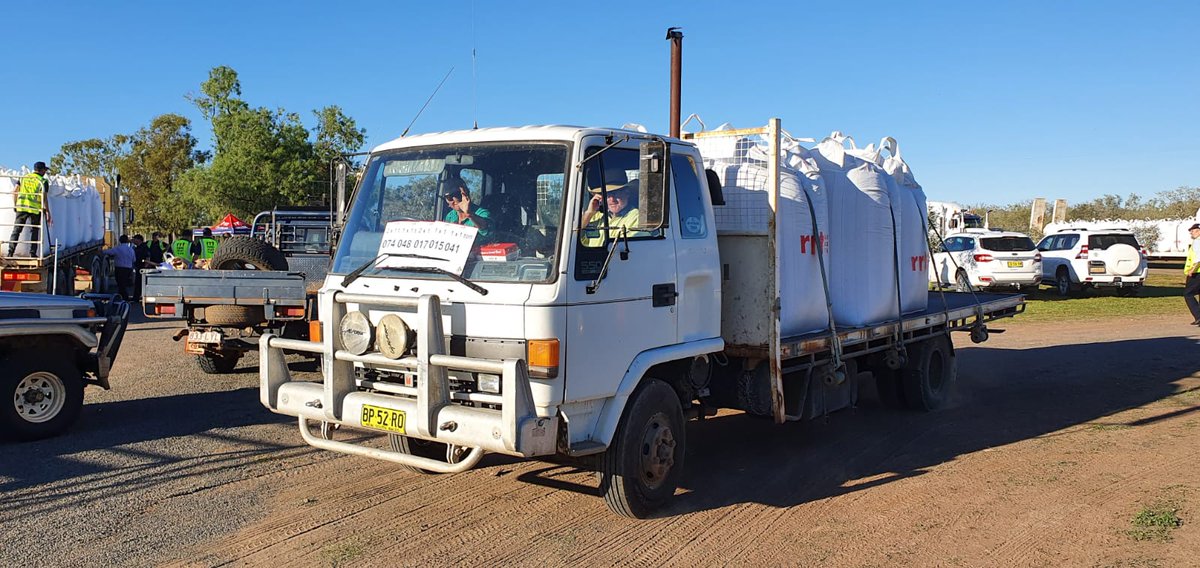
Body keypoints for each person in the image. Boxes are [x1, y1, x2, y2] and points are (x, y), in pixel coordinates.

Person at [7, 161, 52, 257]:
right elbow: (44, 198)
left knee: (16, 230)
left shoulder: (24, 178)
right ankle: (32, 253)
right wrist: (48, 211)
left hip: (21, 207)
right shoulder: (43, 181)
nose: (45, 172)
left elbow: (14, 191)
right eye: (45, 170)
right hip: (35, 209)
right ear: (42, 170)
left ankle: (10, 252)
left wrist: (15, 205)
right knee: (34, 231)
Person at [579, 179, 642, 246]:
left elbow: (627, 246)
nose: (612, 199)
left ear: (627, 193)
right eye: (607, 195)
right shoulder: (595, 216)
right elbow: (578, 239)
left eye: (616, 193)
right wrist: (589, 213)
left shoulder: (637, 217)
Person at [103, 235, 136, 300]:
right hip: (128, 268)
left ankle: (124, 297)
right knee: (124, 283)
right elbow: (134, 259)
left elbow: (109, 252)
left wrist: (101, 251)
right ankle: (122, 296)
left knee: (120, 283)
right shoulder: (131, 249)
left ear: (120, 241)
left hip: (120, 268)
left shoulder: (118, 248)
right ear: (127, 241)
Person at [1184, 223, 1200, 325]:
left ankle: (1198, 316)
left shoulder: (1197, 242)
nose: (1191, 233)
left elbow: (1199, 258)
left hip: (1196, 273)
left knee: (1188, 294)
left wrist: (1192, 270)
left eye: (1193, 231)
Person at [131, 234, 150, 302]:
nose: (133, 240)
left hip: (143, 268)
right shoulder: (137, 248)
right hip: (138, 267)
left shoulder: (144, 247)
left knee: (141, 283)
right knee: (137, 283)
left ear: (139, 240)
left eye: (135, 239)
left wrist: (145, 267)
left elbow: (148, 257)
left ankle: (140, 297)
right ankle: (136, 297)